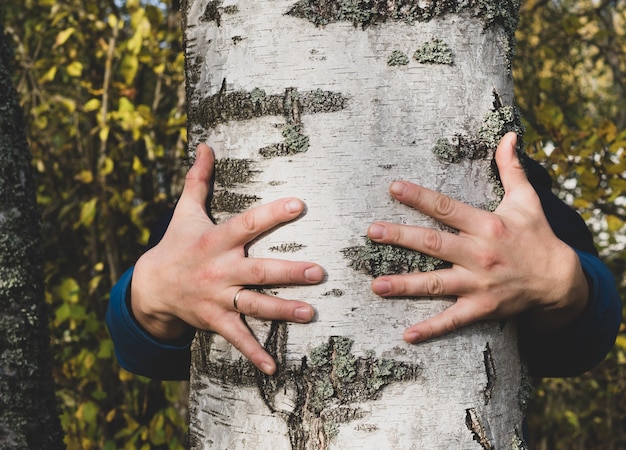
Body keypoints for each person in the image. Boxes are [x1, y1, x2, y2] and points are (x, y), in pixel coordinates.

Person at [106, 133, 622, 380]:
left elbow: (582, 344)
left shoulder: (510, 189)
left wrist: (565, 282)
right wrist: (150, 295)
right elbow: (141, 352)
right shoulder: (214, 189)